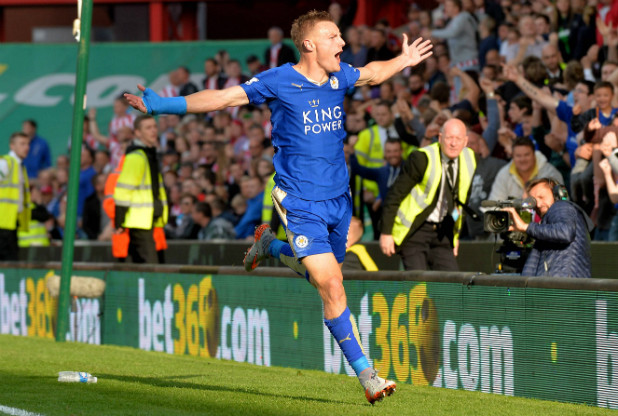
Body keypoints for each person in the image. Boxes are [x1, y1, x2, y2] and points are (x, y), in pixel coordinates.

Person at [124, 10, 432, 403]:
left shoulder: (340, 77)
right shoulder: (279, 80)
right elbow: (222, 98)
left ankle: (270, 246)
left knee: (328, 278)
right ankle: (368, 376)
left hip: (339, 200)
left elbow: (372, 72)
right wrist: (163, 106)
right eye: (333, 37)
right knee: (332, 284)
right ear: (309, 44)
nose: (342, 43)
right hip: (300, 201)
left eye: (341, 37)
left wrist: (403, 61)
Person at [379, 118, 476, 271]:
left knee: (453, 285)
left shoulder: (470, 159)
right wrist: (386, 232)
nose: (453, 143)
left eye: (458, 139)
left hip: (443, 231)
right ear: (440, 138)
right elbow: (395, 194)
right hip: (416, 229)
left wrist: (454, 236)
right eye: (449, 138)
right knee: (418, 286)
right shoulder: (422, 158)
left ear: (465, 141)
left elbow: (461, 202)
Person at [503, 178, 593, 277]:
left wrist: (526, 227)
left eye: (541, 197)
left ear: (557, 194)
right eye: (532, 200)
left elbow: (565, 232)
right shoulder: (550, 223)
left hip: (561, 288)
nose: (537, 203)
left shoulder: (561, 206)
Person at [113, 115, 168, 264]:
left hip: (150, 219)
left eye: (154, 127)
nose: (153, 131)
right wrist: (119, 221)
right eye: (148, 128)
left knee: (143, 265)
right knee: (151, 267)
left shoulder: (149, 155)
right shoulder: (137, 156)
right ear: (137, 132)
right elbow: (123, 191)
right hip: (140, 221)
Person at [488, 137, 564, 201]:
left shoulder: (551, 173)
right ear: (513, 156)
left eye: (527, 155)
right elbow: (494, 204)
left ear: (534, 154)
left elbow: (561, 203)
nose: (523, 159)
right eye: (518, 156)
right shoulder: (504, 174)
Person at [0, 132, 31, 260]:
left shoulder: (20, 166)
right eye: (22, 144)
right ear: (12, 146)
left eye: (28, 144)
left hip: (11, 223)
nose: (26, 147)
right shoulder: (6, 163)